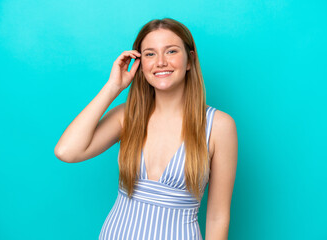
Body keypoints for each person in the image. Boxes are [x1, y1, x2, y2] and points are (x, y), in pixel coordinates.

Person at [55, 18, 238, 240]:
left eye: (171, 51)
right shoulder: (128, 116)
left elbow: (218, 216)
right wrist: (114, 87)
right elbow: (66, 151)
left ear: (190, 60)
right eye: (150, 54)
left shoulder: (219, 126)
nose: (160, 62)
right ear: (140, 64)